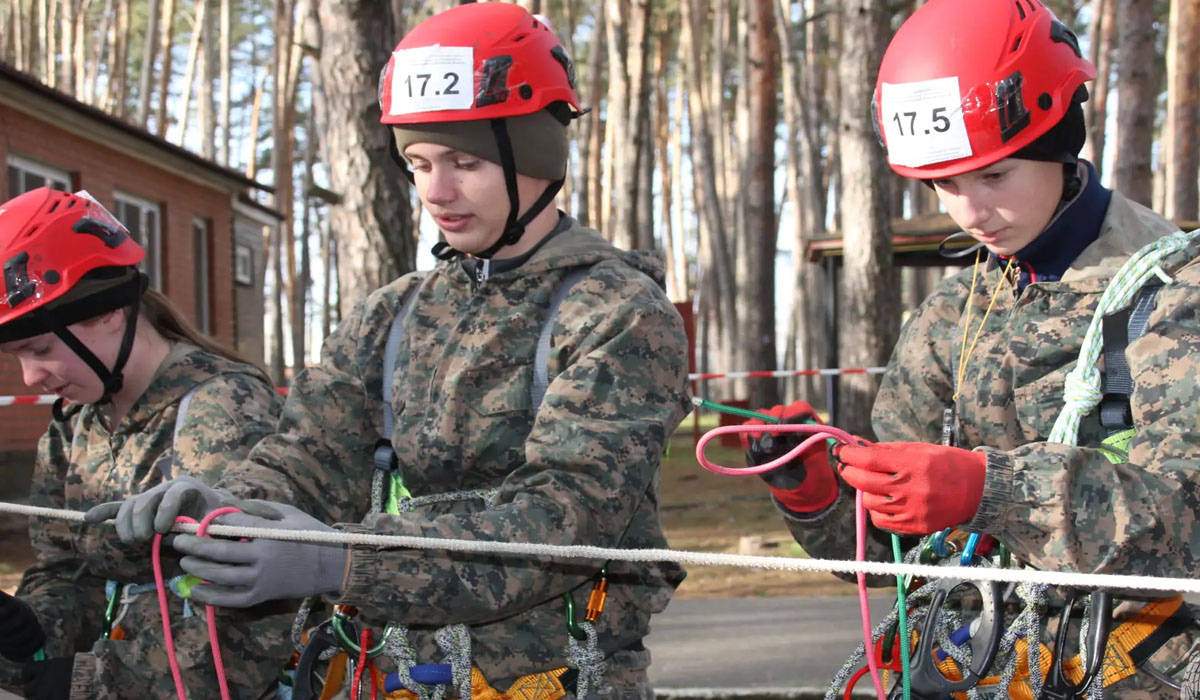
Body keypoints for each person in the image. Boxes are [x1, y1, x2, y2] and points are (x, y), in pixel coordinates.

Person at [87, 4, 692, 699]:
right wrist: (222, 506)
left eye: (465, 162)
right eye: (418, 162)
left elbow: (560, 521)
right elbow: (306, 460)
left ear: (538, 159)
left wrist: (342, 564)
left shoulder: (619, 314)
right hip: (386, 674)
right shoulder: (395, 312)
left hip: (552, 681)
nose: (436, 192)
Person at [744, 0, 1200, 696]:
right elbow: (903, 556)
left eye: (993, 176)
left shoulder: (1174, 291)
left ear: (1061, 134)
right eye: (945, 184)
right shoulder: (956, 313)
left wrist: (988, 490)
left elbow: (1183, 519)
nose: (970, 213)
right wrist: (819, 494)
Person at [0, 187, 294, 699]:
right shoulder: (75, 423)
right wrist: (28, 632)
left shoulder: (221, 408)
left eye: (40, 349)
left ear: (109, 312)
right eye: (14, 357)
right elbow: (65, 570)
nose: (29, 378)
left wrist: (92, 682)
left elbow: (244, 612)